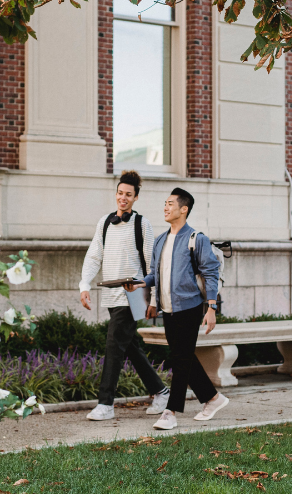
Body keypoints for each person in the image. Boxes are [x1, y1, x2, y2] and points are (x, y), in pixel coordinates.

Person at [125, 188, 228, 430]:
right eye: (165, 203)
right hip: (167, 309)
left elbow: (210, 273)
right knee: (183, 358)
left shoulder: (196, 239)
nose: (165, 207)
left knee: (180, 359)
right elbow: (154, 275)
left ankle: (170, 412)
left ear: (184, 209)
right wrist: (143, 287)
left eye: (170, 203)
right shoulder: (161, 240)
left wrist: (211, 308)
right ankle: (213, 399)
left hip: (190, 307)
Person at [79, 171, 170, 421]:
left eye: (128, 195)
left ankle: (105, 404)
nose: (123, 198)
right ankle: (162, 392)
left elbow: (153, 265)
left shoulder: (143, 224)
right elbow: (94, 255)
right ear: (116, 194)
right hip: (110, 295)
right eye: (120, 193)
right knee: (129, 348)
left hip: (132, 295)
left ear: (135, 197)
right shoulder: (105, 223)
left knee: (113, 346)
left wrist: (153, 300)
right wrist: (84, 284)